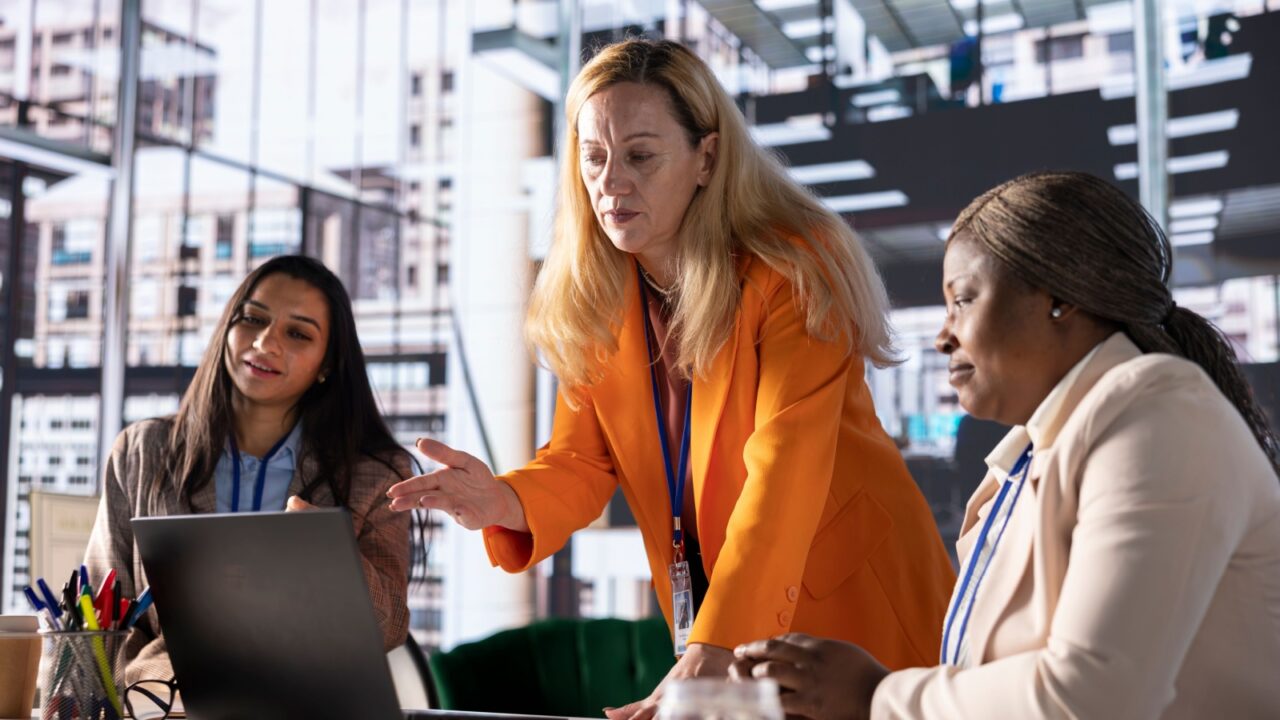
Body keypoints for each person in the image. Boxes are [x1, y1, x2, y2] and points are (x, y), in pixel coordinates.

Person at [386, 38, 955, 718]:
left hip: (855, 608)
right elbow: (582, 460)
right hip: (723, 619)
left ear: (706, 158)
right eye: (594, 157)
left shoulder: (793, 267)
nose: (611, 182)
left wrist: (714, 648)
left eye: (640, 156)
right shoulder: (598, 295)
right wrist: (505, 501)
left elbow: (785, 472)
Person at [731, 171, 1280, 719]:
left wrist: (874, 695)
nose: (943, 336)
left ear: (1060, 299)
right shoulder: (1031, 457)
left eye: (963, 301)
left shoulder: (1159, 417)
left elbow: (1090, 697)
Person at [84, 255, 416, 684]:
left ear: (327, 364)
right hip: (161, 702)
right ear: (227, 327)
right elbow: (100, 617)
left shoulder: (376, 474)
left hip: (303, 704)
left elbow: (388, 627)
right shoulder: (142, 450)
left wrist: (331, 558)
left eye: (297, 333)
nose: (265, 343)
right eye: (253, 319)